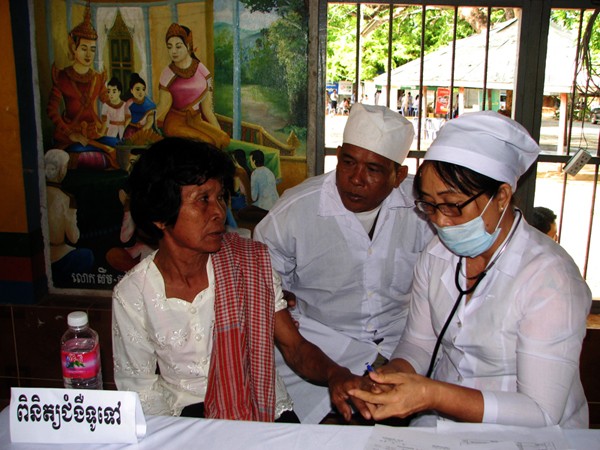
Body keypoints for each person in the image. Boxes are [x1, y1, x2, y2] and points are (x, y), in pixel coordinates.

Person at [349, 111, 591, 428]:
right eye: (429, 205)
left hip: (530, 436)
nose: (439, 220)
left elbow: (542, 412)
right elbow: (419, 344)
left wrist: (432, 394)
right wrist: (393, 375)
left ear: (501, 197)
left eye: (452, 205)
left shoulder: (550, 278)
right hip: (446, 426)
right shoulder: (437, 256)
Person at [112, 137, 366, 422]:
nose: (219, 212)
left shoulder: (248, 264)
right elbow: (140, 389)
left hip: (262, 406)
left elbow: (294, 348)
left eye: (220, 197)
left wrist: (335, 373)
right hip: (187, 418)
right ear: (160, 215)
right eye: (202, 200)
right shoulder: (134, 293)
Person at [253, 103, 434, 423]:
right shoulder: (296, 210)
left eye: (373, 169)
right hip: (319, 348)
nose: (355, 178)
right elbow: (260, 280)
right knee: (327, 431)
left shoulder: (424, 211)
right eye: (348, 162)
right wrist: (280, 294)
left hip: (402, 348)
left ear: (399, 175)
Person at [46, 5, 118, 170]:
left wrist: (126, 103)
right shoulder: (63, 76)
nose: (88, 54)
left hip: (95, 133)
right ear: (74, 48)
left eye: (92, 50)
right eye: (84, 48)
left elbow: (107, 99)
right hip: (71, 136)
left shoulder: (97, 78)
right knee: (87, 159)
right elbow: (51, 110)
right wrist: (70, 133)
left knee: (118, 146)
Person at [155, 23, 230, 149]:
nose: (173, 51)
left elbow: (207, 109)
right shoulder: (167, 73)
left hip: (196, 120)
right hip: (175, 123)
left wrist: (218, 131)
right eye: (169, 47)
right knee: (207, 142)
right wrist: (145, 124)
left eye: (178, 46)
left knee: (224, 139)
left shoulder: (203, 71)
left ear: (188, 46)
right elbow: (162, 106)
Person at [45, 149, 94, 286]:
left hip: (42, 257)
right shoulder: (65, 198)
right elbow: (74, 237)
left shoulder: (36, 194)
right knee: (86, 255)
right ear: (61, 170)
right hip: (57, 257)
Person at [122, 73, 157, 142]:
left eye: (143, 89)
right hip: (131, 129)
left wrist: (140, 134)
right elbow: (127, 119)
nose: (141, 92)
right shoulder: (129, 103)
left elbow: (150, 121)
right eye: (137, 89)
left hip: (145, 129)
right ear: (132, 91)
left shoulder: (149, 104)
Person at [100, 77, 129, 141]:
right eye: (109, 91)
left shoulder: (125, 105)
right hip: (111, 132)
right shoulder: (105, 105)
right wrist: (102, 134)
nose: (111, 94)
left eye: (114, 91)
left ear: (119, 92)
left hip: (123, 132)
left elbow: (128, 121)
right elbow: (104, 122)